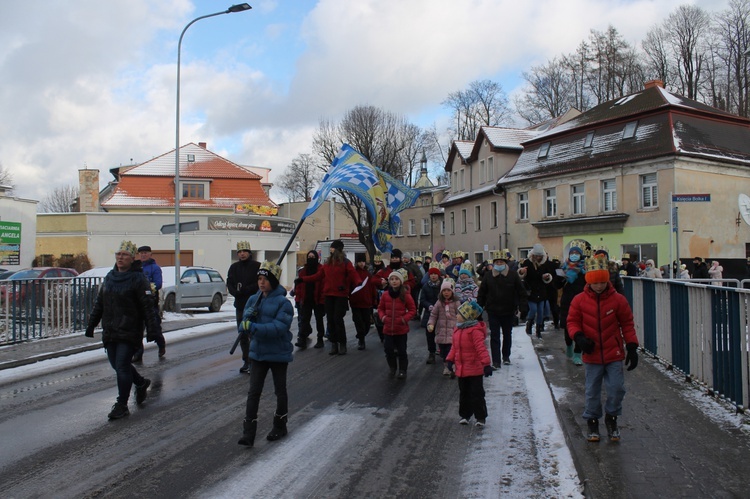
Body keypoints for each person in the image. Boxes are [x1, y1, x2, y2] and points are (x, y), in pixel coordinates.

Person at [567, 255, 639, 442]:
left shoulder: (618, 300)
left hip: (613, 352)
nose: (598, 286)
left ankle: (612, 417)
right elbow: (572, 322)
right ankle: (592, 419)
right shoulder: (579, 300)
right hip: (592, 354)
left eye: (602, 281)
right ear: (588, 281)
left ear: (607, 279)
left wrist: (631, 346)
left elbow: (627, 324)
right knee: (592, 390)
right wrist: (579, 337)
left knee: (616, 388)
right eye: (594, 282)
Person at [85, 240, 160, 420]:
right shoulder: (110, 277)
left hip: (129, 330)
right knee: (117, 365)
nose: (120, 257)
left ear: (132, 258)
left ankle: (121, 404)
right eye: (118, 254)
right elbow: (100, 304)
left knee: (121, 366)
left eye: (124, 255)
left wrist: (153, 330)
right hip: (111, 329)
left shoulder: (138, 279)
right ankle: (140, 382)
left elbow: (147, 307)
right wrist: (91, 324)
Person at [237, 261, 294, 447]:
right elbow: (243, 323)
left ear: (274, 281)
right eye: (259, 279)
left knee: (280, 390)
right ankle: (248, 432)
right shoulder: (254, 300)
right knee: (253, 392)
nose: (261, 283)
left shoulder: (284, 304)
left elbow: (279, 328)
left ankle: (280, 425)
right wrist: (246, 322)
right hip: (258, 353)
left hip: (278, 353)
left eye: (265, 279)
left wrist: (254, 326)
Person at [299, 239, 361, 355]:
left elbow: (353, 273)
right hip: (328, 295)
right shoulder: (327, 264)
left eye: (332, 248)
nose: (331, 249)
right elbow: (318, 276)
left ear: (336, 249)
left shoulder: (345, 262)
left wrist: (358, 282)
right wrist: (303, 279)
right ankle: (334, 343)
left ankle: (342, 343)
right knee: (330, 320)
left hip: (340, 295)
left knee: (337, 319)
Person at [445, 300, 494, 427]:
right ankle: (465, 415)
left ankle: (480, 417)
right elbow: (454, 348)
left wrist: (486, 364)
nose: (457, 316)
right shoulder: (457, 330)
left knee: (477, 394)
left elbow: (481, 349)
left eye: (460, 314)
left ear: (468, 316)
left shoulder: (474, 331)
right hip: (461, 369)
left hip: (474, 368)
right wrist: (450, 360)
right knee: (464, 393)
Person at [477, 249, 528, 368]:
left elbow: (521, 292)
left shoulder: (513, 275)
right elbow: (482, 293)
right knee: (494, 335)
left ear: (505, 263)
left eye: (501, 262)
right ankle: (496, 361)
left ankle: (506, 356)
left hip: (508, 310)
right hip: (493, 310)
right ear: (494, 263)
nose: (499, 264)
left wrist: (522, 306)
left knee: (507, 334)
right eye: (497, 262)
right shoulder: (488, 276)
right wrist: (479, 309)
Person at [227, 241, 261, 373]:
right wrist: (235, 292)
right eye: (240, 252)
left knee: (253, 333)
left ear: (249, 252)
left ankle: (255, 360)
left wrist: (247, 290)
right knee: (242, 334)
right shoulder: (234, 267)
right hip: (240, 305)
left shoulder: (257, 266)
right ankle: (246, 360)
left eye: (244, 251)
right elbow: (229, 282)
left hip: (254, 305)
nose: (242, 254)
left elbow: (259, 283)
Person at [377, 268, 417, 380]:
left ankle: (402, 370)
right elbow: (380, 308)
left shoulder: (406, 295)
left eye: (396, 279)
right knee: (388, 350)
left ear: (400, 281)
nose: (394, 281)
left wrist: (404, 319)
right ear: (389, 281)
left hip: (401, 329)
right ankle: (392, 368)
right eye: (392, 279)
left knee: (402, 351)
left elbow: (413, 310)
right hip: (388, 328)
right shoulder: (385, 295)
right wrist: (383, 317)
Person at [132, 245, 166, 362]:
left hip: (150, 303)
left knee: (154, 327)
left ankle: (161, 344)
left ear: (150, 254)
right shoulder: (135, 267)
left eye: (146, 253)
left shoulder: (154, 268)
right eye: (141, 253)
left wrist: (147, 289)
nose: (143, 255)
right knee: (137, 329)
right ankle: (138, 353)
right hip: (137, 303)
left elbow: (158, 284)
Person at [555, 244, 587, 366]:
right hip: (567, 301)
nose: (574, 255)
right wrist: (561, 277)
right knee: (568, 326)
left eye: (576, 253)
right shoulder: (564, 267)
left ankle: (578, 353)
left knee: (580, 327)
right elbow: (557, 285)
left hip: (581, 302)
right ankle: (569, 345)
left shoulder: (584, 269)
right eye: (572, 253)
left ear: (580, 255)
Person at [519, 243, 555, 338]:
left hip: (542, 290)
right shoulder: (527, 262)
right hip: (531, 290)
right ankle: (529, 323)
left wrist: (546, 277)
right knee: (533, 309)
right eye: (536, 255)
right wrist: (522, 272)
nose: (538, 257)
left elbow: (549, 274)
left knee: (540, 311)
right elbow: (521, 274)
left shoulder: (544, 263)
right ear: (533, 255)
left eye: (540, 256)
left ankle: (538, 329)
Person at [293, 251, 326, 349]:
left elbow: (323, 285)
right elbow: (299, 286)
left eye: (313, 256)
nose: (311, 258)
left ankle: (320, 339)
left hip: (317, 299)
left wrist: (322, 300)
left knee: (319, 320)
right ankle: (302, 339)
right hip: (306, 298)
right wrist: (298, 298)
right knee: (304, 320)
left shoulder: (321, 269)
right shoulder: (303, 271)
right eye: (309, 256)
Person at [428, 277, 460, 376]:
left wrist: (460, 324)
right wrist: (431, 324)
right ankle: (446, 366)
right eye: (444, 291)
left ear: (452, 292)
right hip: (441, 332)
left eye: (448, 290)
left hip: (452, 331)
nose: (446, 293)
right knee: (443, 352)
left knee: (452, 350)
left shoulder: (455, 302)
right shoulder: (438, 303)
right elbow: (433, 315)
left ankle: (452, 365)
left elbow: (460, 314)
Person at [349, 254, 377, 350]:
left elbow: (372, 287)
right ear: (357, 263)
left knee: (367, 322)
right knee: (358, 321)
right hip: (355, 302)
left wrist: (374, 299)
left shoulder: (368, 274)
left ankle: (362, 334)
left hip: (366, 302)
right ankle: (361, 340)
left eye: (363, 262)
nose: (361, 263)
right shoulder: (353, 273)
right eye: (360, 262)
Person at [419, 264, 443, 365]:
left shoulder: (443, 285)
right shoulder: (426, 286)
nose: (433, 276)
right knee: (430, 334)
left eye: (435, 274)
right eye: (431, 274)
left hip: (442, 313)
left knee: (443, 333)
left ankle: (444, 352)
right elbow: (422, 300)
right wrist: (429, 306)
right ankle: (431, 353)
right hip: (430, 313)